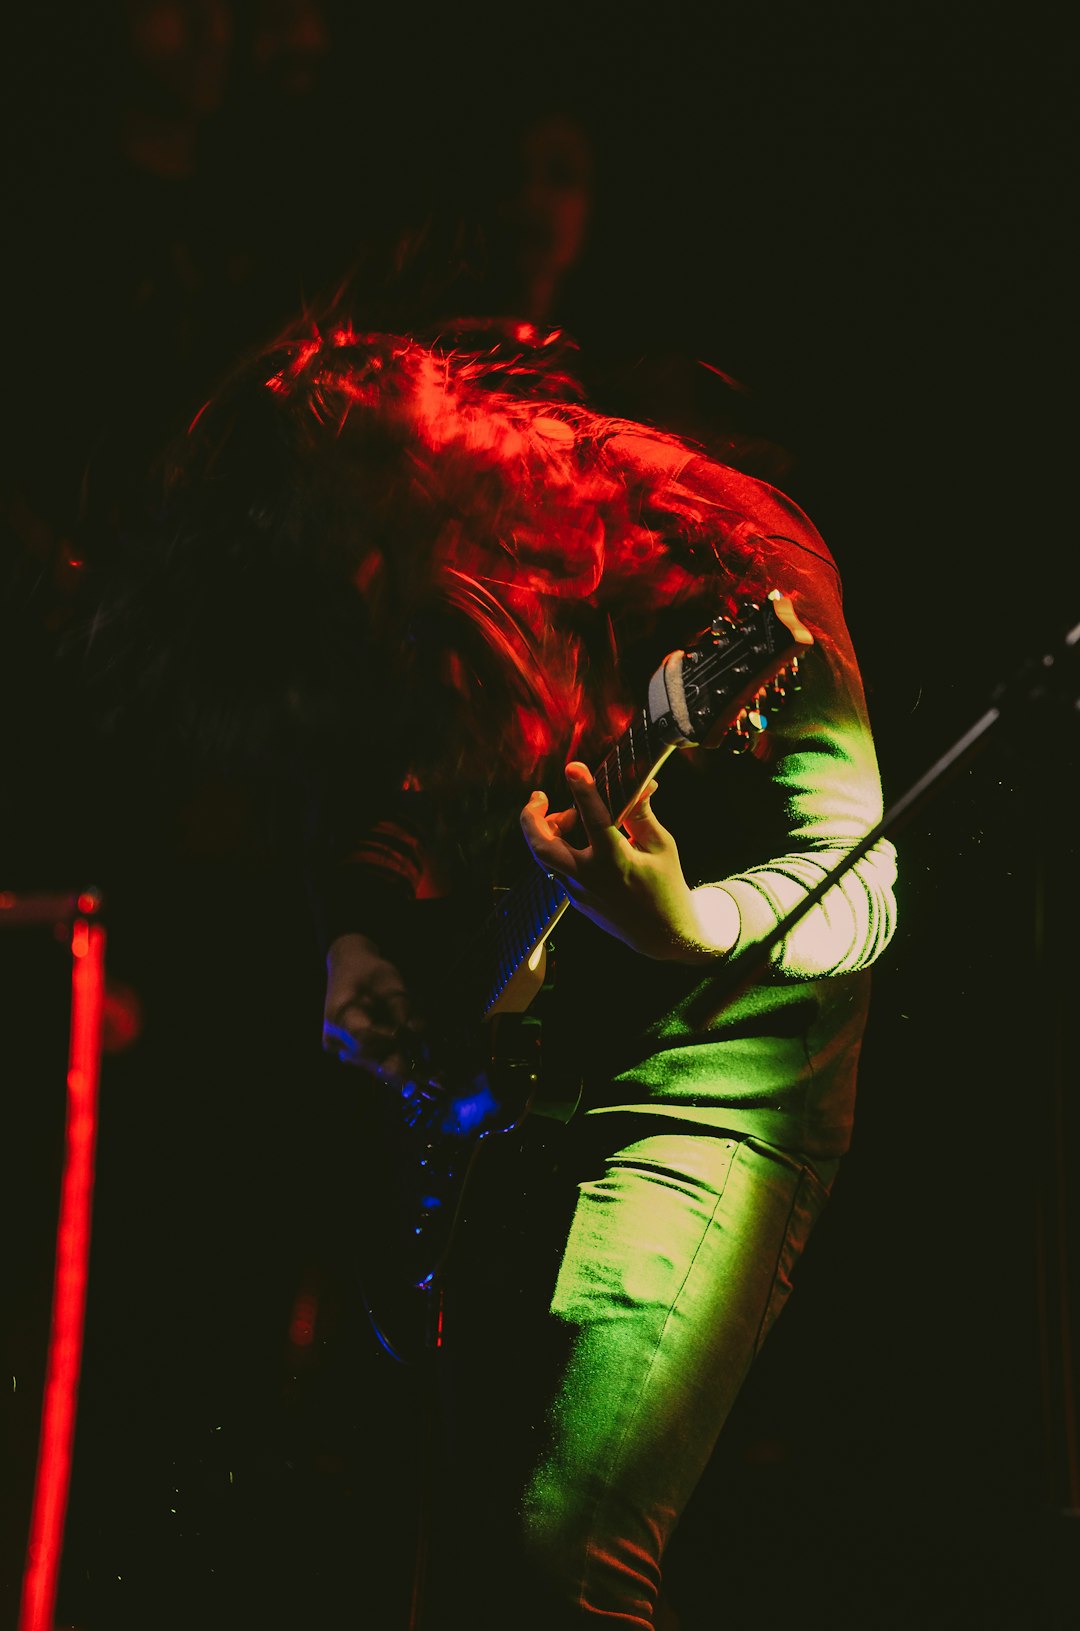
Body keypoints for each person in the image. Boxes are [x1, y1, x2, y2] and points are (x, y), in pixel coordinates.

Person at [118, 314, 897, 1627]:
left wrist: (689, 923)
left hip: (714, 1082)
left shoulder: (733, 564)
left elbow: (866, 882)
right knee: (440, 1555)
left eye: (356, 568)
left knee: (562, 1556)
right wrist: (359, 935)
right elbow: (392, 801)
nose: (357, 607)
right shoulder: (440, 583)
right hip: (535, 1082)